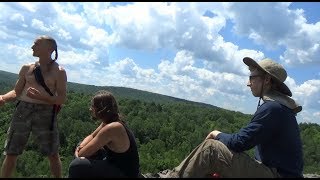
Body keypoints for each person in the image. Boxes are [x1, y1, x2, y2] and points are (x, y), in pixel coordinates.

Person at [146, 57, 303, 178]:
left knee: (211, 149)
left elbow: (239, 142)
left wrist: (216, 134)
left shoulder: (272, 108)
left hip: (277, 175)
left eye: (252, 77)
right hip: (276, 172)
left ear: (267, 80)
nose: (248, 83)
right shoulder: (280, 108)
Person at [0, 35, 67, 178]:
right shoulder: (26, 68)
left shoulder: (59, 72)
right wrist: (3, 98)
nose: (32, 47)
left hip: (46, 112)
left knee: (52, 153)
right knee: (11, 152)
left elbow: (61, 98)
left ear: (49, 49)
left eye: (36, 44)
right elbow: (16, 92)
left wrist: (41, 97)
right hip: (22, 110)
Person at [68, 90, 140, 178]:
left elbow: (82, 154)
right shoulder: (109, 122)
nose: (90, 109)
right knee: (83, 145)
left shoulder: (112, 128)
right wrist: (81, 146)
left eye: (93, 106)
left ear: (101, 109)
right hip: (114, 163)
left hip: (124, 173)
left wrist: (78, 151)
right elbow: (92, 136)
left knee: (77, 165)